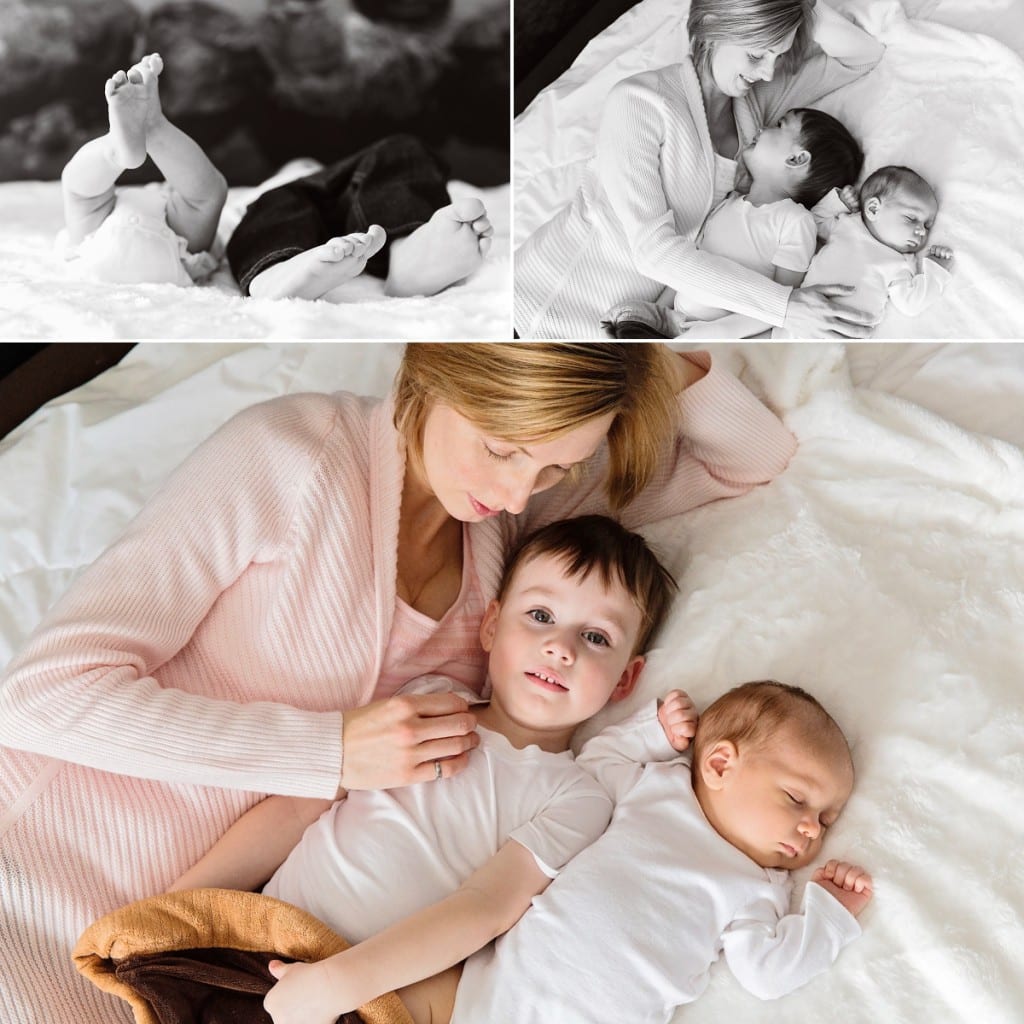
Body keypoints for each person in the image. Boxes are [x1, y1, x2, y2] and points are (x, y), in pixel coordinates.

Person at [0, 343, 796, 1024]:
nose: (523, 489)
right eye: (503, 446)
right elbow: (40, 696)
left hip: (235, 953)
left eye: (558, 462)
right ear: (439, 370)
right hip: (43, 877)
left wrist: (625, 351)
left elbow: (744, 454)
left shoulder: (505, 529)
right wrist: (331, 749)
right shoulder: (289, 455)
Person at [160, 515, 684, 1024]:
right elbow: (301, 805)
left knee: (441, 992)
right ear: (491, 626)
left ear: (625, 680)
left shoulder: (577, 797)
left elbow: (486, 909)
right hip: (260, 943)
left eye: (596, 638)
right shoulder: (431, 702)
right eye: (541, 616)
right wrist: (174, 909)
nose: (560, 648)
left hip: (366, 995)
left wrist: (338, 983)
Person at [440, 680, 873, 1022]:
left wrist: (828, 916)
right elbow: (594, 766)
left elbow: (766, 973)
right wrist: (655, 733)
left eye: (826, 820)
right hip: (506, 988)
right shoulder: (658, 787)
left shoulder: (757, 886)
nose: (811, 829)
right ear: (721, 765)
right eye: (797, 799)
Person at [514, 0, 886, 339]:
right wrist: (785, 306)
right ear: (714, 24)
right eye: (757, 54)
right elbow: (654, 252)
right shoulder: (640, 102)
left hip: (632, 327)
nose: (770, 73)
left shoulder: (755, 111)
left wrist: (797, 9)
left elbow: (863, 56)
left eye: (779, 54)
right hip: (544, 306)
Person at [605, 106, 864, 339]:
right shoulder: (727, 203)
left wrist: (716, 333)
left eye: (779, 126)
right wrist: (659, 309)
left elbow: (782, 299)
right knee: (622, 315)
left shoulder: (795, 221)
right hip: (674, 319)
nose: (763, 127)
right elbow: (690, 264)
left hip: (719, 331)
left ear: (796, 159)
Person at [225, 134, 493, 300]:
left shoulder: (349, 176)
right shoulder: (262, 194)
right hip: (288, 213)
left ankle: (406, 249)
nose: (307, 169)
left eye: (308, 167)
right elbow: (238, 228)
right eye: (302, 166)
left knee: (400, 150)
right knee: (278, 202)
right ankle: (275, 273)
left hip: (357, 211)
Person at [58, 53, 227, 286]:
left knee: (78, 190)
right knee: (207, 197)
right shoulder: (172, 204)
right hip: (177, 255)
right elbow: (203, 192)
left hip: (94, 249)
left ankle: (115, 151)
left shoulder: (116, 204)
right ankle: (155, 128)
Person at [773, 165, 953, 337]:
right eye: (911, 218)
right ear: (874, 208)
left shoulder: (899, 263)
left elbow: (911, 304)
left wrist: (935, 271)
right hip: (798, 320)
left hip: (844, 334)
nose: (921, 231)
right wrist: (838, 202)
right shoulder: (848, 225)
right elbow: (812, 224)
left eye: (927, 225)